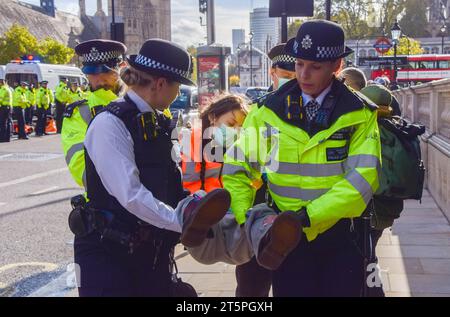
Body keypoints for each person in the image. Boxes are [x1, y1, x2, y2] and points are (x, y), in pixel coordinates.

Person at [223, 20, 382, 297]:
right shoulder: (266, 110)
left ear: (337, 67)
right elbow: (238, 168)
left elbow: (362, 180)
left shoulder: (360, 114)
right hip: (283, 240)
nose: (303, 75)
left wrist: (307, 218)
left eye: (315, 67)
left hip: (340, 238)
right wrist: (246, 219)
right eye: (299, 64)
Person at [75, 38, 231, 297]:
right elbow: (131, 195)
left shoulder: (158, 122)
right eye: (178, 86)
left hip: (149, 250)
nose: (178, 93)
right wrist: (182, 222)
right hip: (109, 256)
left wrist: (197, 206)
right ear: (160, 84)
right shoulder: (109, 124)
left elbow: (169, 180)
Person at [61, 39, 127, 188]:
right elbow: (81, 169)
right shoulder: (78, 113)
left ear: (121, 67)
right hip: (105, 204)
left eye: (105, 72)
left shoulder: (141, 99)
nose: (98, 79)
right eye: (91, 73)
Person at [0, 78, 12, 142]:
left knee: (3, 123)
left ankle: (2, 138)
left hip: (4, 107)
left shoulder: (3, 89)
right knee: (8, 122)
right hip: (8, 107)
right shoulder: (8, 88)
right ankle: (7, 138)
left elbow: (0, 98)